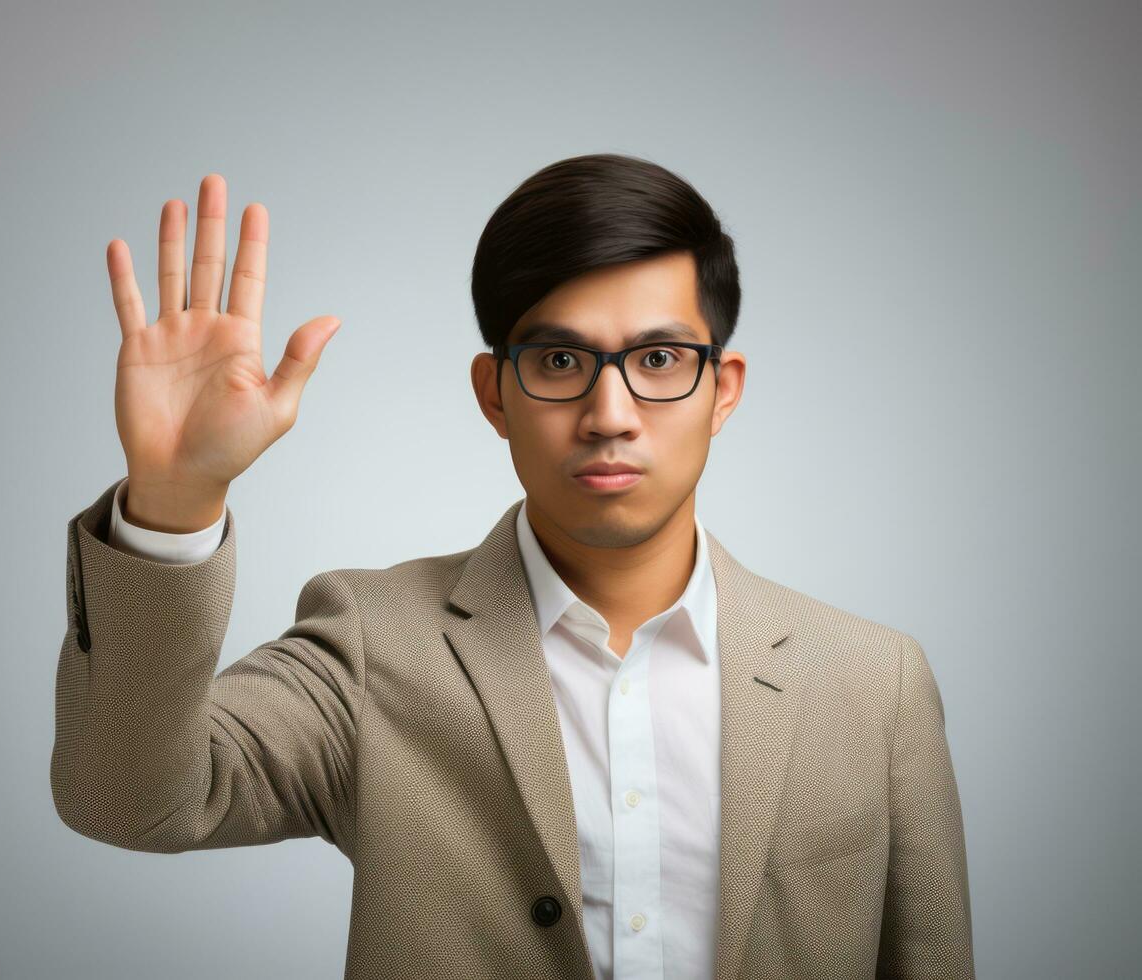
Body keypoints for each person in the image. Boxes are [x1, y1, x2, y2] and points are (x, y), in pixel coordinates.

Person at [50, 154, 974, 979]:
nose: (609, 410)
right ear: (494, 393)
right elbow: (130, 802)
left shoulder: (871, 681)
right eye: (560, 358)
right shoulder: (374, 644)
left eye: (658, 358)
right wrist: (175, 500)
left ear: (720, 390)